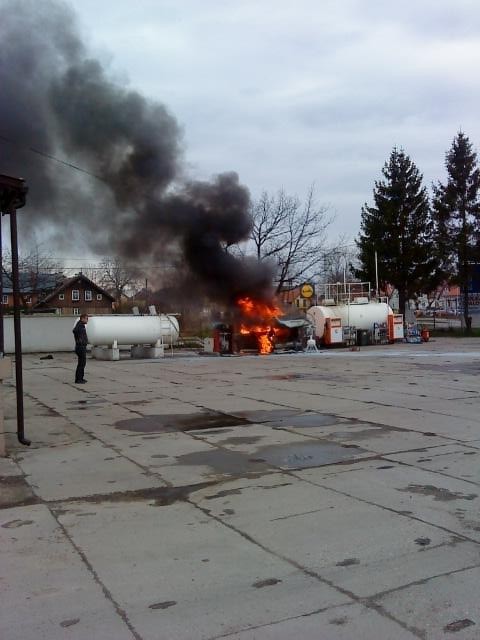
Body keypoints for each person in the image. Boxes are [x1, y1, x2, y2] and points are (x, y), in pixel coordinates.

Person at [73, 313, 89, 384]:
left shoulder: (81, 325)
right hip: (80, 347)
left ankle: (81, 378)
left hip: (81, 346)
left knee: (82, 363)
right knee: (81, 364)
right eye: (86, 318)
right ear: (82, 318)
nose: (87, 320)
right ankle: (78, 379)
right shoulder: (79, 326)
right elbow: (75, 331)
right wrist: (80, 341)